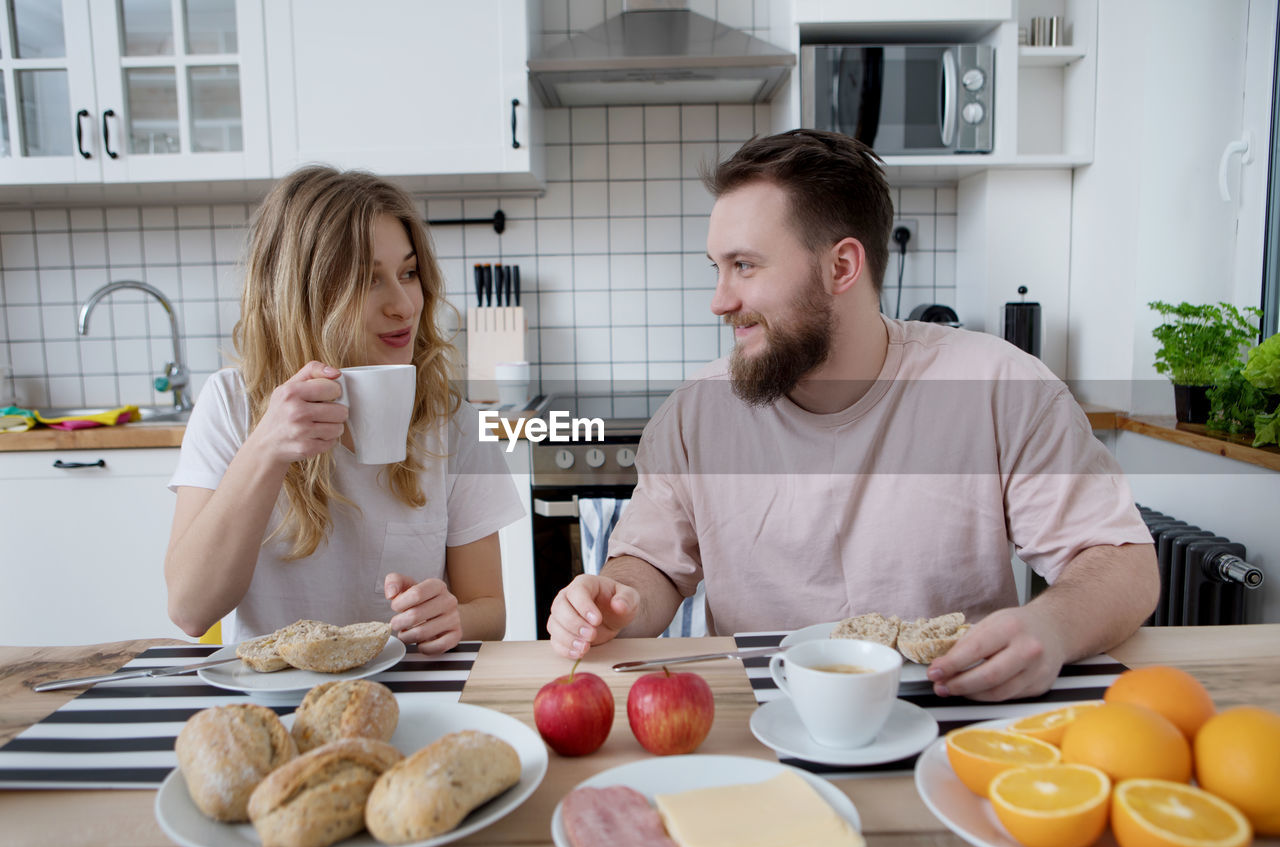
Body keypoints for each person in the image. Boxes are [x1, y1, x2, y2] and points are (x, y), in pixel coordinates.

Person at [547, 129, 1160, 700]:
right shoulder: (694, 418)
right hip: (766, 713)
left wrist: (1050, 625)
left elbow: (1122, 562)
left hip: (953, 708)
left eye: (745, 266)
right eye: (717, 268)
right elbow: (652, 565)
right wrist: (618, 597)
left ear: (841, 266)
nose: (719, 301)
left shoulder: (999, 389)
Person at [165, 166, 523, 654]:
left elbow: (490, 609)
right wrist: (268, 448)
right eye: (368, 280)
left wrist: (452, 617)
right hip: (275, 699)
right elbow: (190, 610)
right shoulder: (231, 405)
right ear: (301, 296)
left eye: (409, 273)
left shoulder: (453, 423)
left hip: (411, 694)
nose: (403, 306)